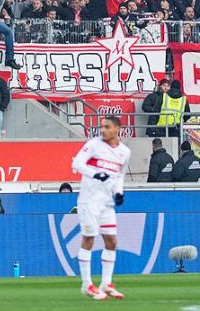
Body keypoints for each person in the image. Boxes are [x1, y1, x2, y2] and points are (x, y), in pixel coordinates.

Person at [71, 116, 131, 300]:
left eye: (107, 127)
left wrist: (119, 192)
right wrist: (97, 174)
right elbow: (77, 164)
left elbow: (119, 175)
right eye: (101, 127)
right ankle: (87, 284)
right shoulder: (94, 145)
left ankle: (106, 283)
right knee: (88, 239)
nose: (103, 130)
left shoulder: (124, 152)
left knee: (111, 241)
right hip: (89, 201)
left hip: (106, 203)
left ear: (117, 129)